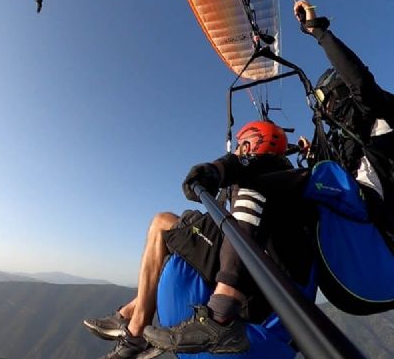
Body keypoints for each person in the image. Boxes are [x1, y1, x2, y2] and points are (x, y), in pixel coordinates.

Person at [145, 0, 394, 353]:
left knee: (259, 186)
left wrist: (318, 31)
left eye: (332, 103)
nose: (331, 114)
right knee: (299, 188)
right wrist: (312, 154)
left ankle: (221, 312)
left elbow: (362, 85)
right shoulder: (368, 151)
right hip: (377, 237)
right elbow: (338, 173)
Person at [83, 120, 312, 359]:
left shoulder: (257, 166)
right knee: (175, 226)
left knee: (161, 223)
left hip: (250, 269)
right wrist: (301, 149)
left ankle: (136, 330)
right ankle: (131, 311)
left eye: (239, 146)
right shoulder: (288, 175)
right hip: (265, 267)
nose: (236, 150)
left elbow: (233, 164)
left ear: (247, 146)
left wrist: (210, 172)